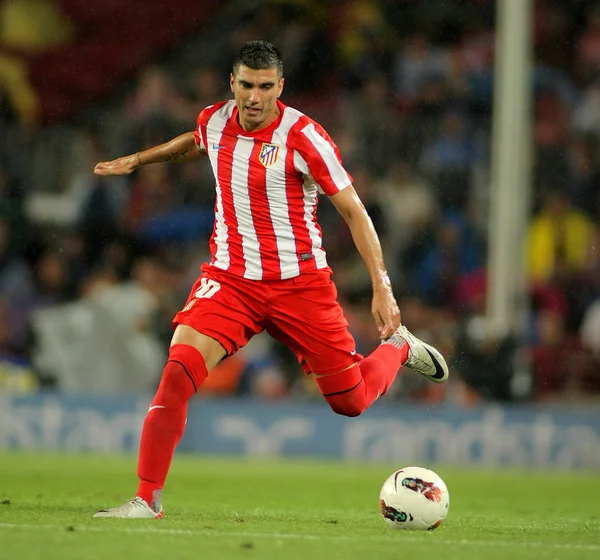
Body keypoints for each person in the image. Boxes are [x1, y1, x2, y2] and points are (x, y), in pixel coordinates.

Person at [92, 40, 448, 519]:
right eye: (245, 85)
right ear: (232, 84)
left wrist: (382, 287)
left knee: (351, 402)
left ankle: (399, 347)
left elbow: (354, 213)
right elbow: (194, 143)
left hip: (300, 285)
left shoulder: (305, 137)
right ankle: (146, 498)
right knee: (177, 372)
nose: (254, 97)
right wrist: (139, 160)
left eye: (264, 87)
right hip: (230, 280)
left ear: (280, 87)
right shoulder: (215, 120)